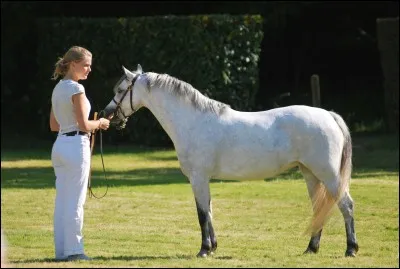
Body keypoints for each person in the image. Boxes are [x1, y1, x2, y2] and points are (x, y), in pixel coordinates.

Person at [49, 46, 110, 261]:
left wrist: (83, 125)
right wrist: (100, 123)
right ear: (73, 64)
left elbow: (54, 125)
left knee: (63, 201)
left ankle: (61, 251)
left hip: (60, 146)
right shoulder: (77, 89)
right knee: (75, 201)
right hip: (76, 146)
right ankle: (74, 251)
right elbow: (84, 125)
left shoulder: (58, 89)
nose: (89, 70)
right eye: (85, 65)